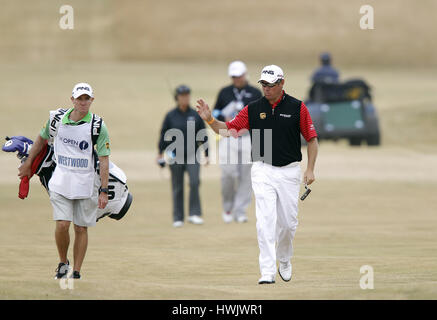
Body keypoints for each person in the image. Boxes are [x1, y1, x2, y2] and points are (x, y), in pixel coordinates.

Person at [196, 65, 319, 284]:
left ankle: (284, 258)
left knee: (289, 224)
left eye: (271, 85)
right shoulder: (253, 109)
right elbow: (230, 130)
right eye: (263, 84)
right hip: (262, 170)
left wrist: (310, 168)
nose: (266, 89)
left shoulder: (297, 107)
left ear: (282, 83)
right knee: (265, 222)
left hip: (290, 172)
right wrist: (211, 121)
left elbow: (311, 139)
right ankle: (267, 271)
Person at [18, 83, 111, 280]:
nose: (83, 102)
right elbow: (41, 139)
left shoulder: (97, 126)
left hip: (85, 182)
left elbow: (104, 160)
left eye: (87, 98)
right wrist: (28, 163)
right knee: (62, 224)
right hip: (60, 180)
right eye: (80, 98)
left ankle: (76, 271)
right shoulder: (56, 119)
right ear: (73, 100)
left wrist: (104, 190)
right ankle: (63, 262)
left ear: (92, 100)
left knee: (80, 227)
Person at [212, 61, 262, 223]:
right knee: (228, 174)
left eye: (239, 76)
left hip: (248, 138)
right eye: (233, 76)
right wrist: (222, 117)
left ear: (245, 74)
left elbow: (262, 114)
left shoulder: (255, 93)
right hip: (228, 137)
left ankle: (240, 210)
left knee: (247, 176)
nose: (236, 79)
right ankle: (228, 207)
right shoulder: (224, 92)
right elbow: (215, 112)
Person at [157, 85, 209, 228]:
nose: (185, 98)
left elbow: (203, 135)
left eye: (187, 95)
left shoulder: (195, 114)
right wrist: (160, 153)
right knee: (177, 186)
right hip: (175, 156)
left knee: (194, 182)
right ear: (177, 97)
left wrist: (207, 153)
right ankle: (178, 217)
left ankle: (194, 214)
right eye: (182, 95)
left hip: (193, 155)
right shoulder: (170, 115)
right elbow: (163, 135)